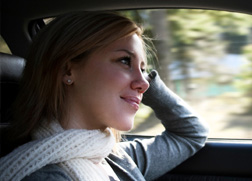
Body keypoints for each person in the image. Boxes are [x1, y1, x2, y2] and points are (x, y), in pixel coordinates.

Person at [0, 11, 208, 180]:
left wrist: (143, 80)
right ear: (67, 71)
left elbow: (191, 133)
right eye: (125, 61)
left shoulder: (115, 157)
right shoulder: (45, 176)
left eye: (144, 69)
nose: (144, 83)